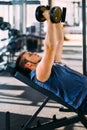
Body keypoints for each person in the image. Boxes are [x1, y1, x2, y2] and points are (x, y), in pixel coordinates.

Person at [16, 10, 87, 112]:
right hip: (83, 100)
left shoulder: (51, 64)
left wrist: (56, 21)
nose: (34, 53)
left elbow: (59, 41)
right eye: (30, 55)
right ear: (28, 64)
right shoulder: (39, 74)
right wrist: (49, 20)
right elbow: (50, 47)